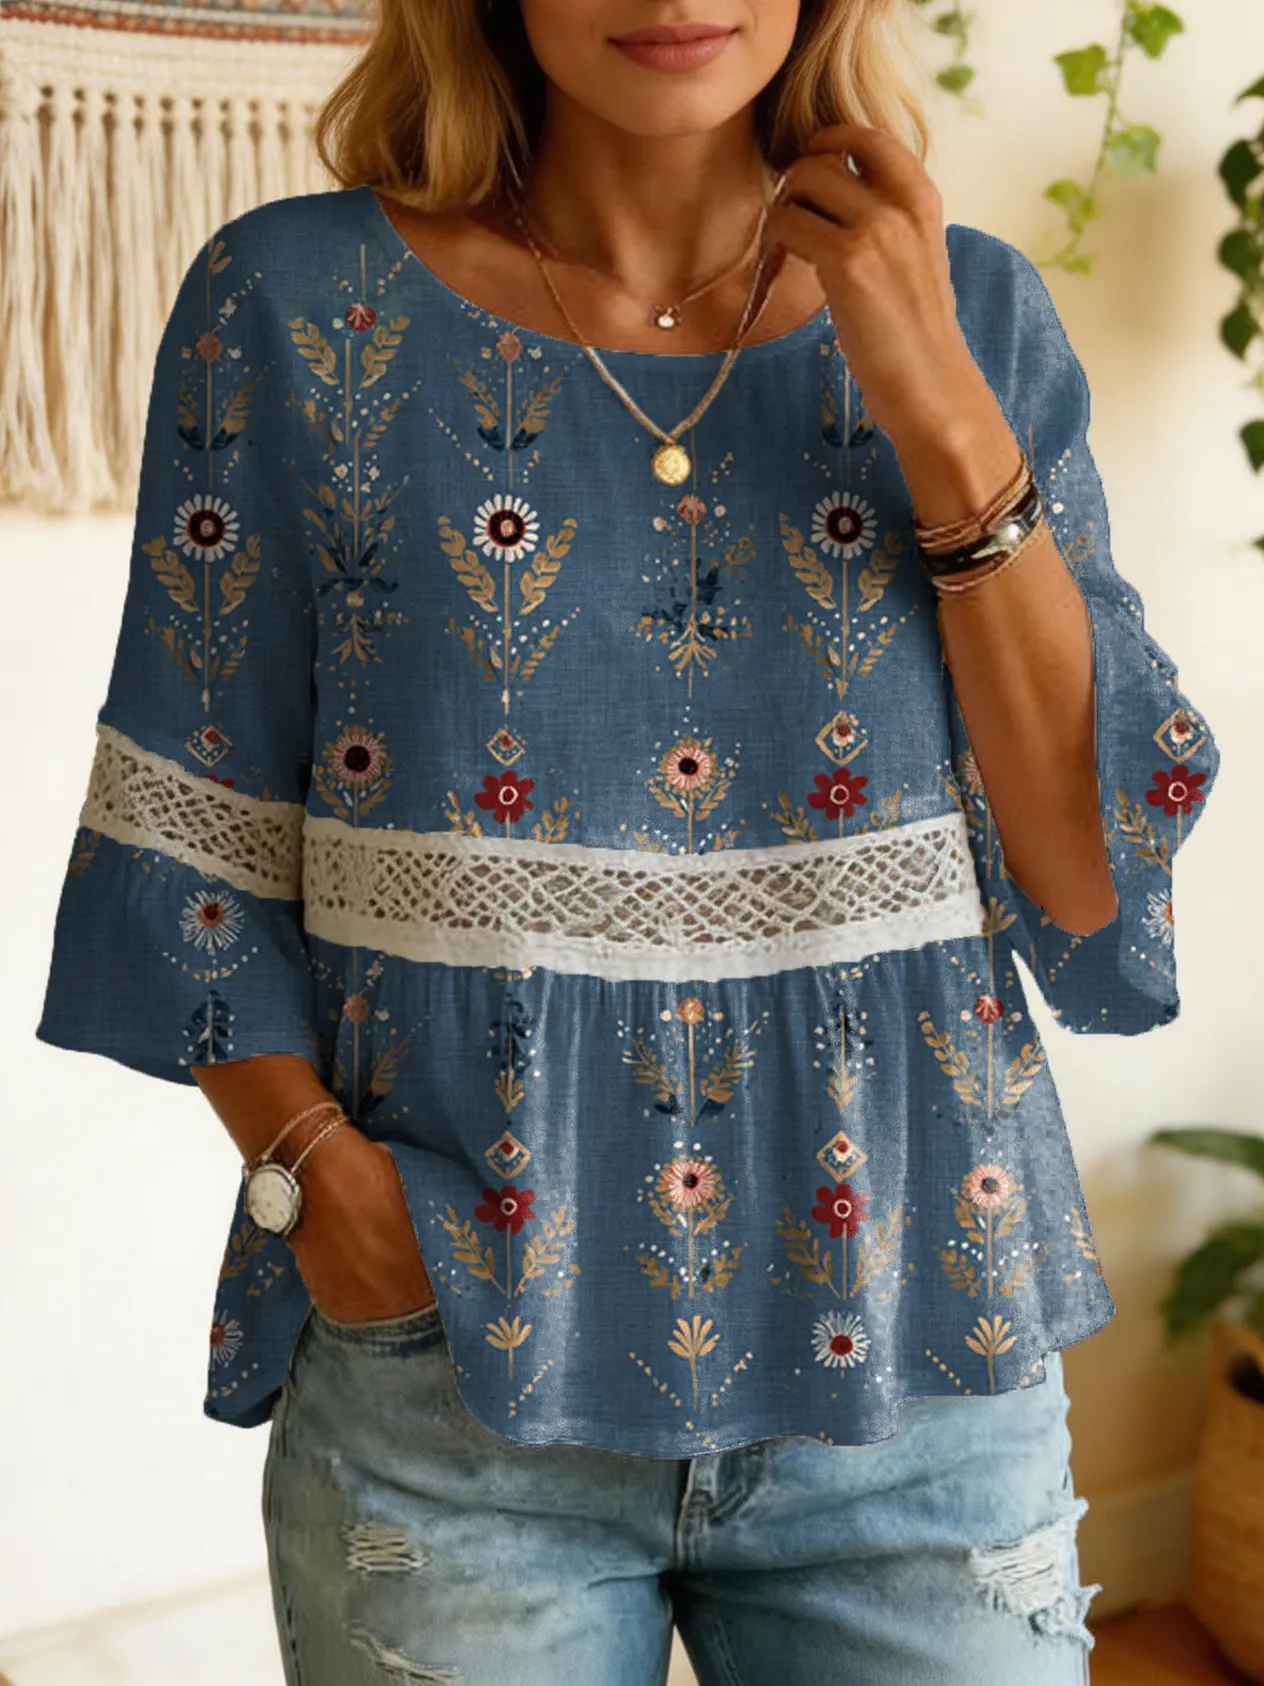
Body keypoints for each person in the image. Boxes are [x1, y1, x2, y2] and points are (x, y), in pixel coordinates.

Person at [35, 0, 1220, 1680]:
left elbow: (1086, 870)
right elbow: (189, 815)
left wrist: (938, 401)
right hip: (454, 1387)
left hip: (920, 1372)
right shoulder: (291, 303)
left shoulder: (975, 313)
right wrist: (320, 1183)